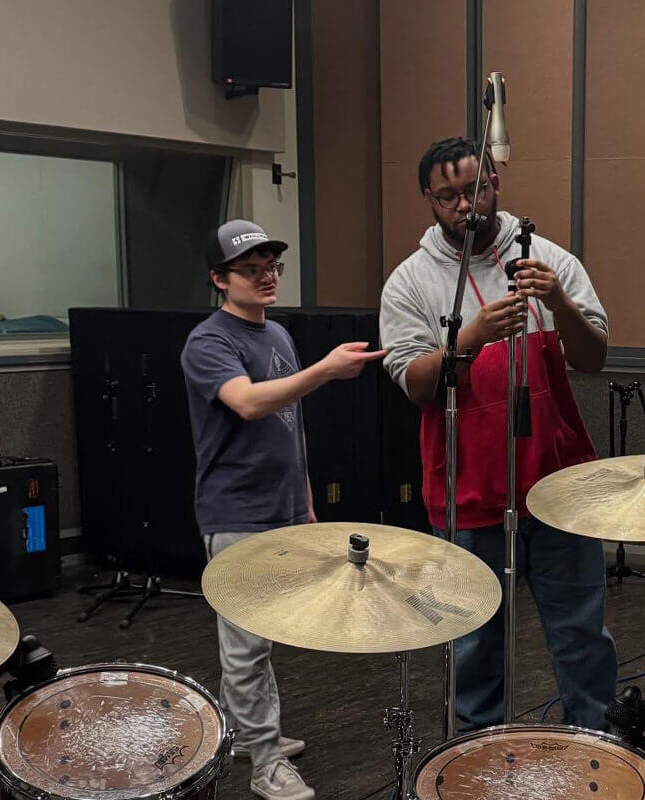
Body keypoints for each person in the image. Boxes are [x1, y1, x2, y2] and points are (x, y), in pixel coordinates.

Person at [379, 137, 617, 731]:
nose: (466, 206)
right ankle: (475, 760)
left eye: (476, 190)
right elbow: (414, 383)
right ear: (428, 198)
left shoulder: (548, 259)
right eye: (449, 196)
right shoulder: (410, 282)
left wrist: (557, 299)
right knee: (474, 652)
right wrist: (472, 336)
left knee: (582, 641)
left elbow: (593, 358)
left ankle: (600, 749)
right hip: (468, 499)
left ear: (495, 184)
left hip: (559, 493)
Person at [181, 219, 384, 800]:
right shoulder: (208, 342)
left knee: (260, 637)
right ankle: (265, 763)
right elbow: (247, 403)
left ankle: (247, 733)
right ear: (219, 279)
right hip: (235, 514)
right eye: (251, 270)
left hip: (284, 508)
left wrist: (306, 499)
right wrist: (324, 371)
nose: (266, 277)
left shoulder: (277, 334)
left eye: (271, 267)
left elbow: (291, 426)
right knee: (245, 645)